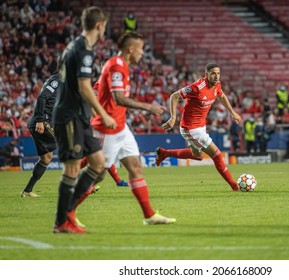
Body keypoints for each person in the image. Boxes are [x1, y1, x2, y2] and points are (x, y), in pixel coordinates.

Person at [90, 31, 176, 225]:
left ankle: (149, 216)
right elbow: (118, 98)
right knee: (98, 174)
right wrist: (149, 107)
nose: (142, 53)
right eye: (141, 49)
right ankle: (66, 212)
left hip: (121, 126)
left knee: (136, 167)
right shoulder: (116, 66)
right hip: (108, 126)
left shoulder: (124, 67)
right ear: (130, 48)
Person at [52, 6, 117, 234]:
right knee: (71, 169)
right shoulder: (83, 50)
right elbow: (84, 87)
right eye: (104, 27)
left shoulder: (74, 46)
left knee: (99, 164)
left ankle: (67, 212)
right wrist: (102, 113)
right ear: (99, 26)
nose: (104, 31)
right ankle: (61, 222)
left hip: (78, 116)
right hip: (69, 116)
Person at [156, 63, 242, 191]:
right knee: (217, 155)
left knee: (198, 155)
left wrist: (232, 112)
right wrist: (173, 117)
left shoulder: (217, 84)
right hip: (190, 128)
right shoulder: (197, 87)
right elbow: (174, 96)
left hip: (201, 126)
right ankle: (234, 186)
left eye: (218, 73)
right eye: (213, 73)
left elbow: (222, 96)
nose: (216, 76)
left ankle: (165, 153)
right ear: (206, 74)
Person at [20, 73, 60, 198]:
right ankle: (79, 186)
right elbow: (42, 97)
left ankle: (27, 191)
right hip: (42, 122)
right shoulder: (56, 80)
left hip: (42, 121)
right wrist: (40, 120)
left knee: (46, 158)